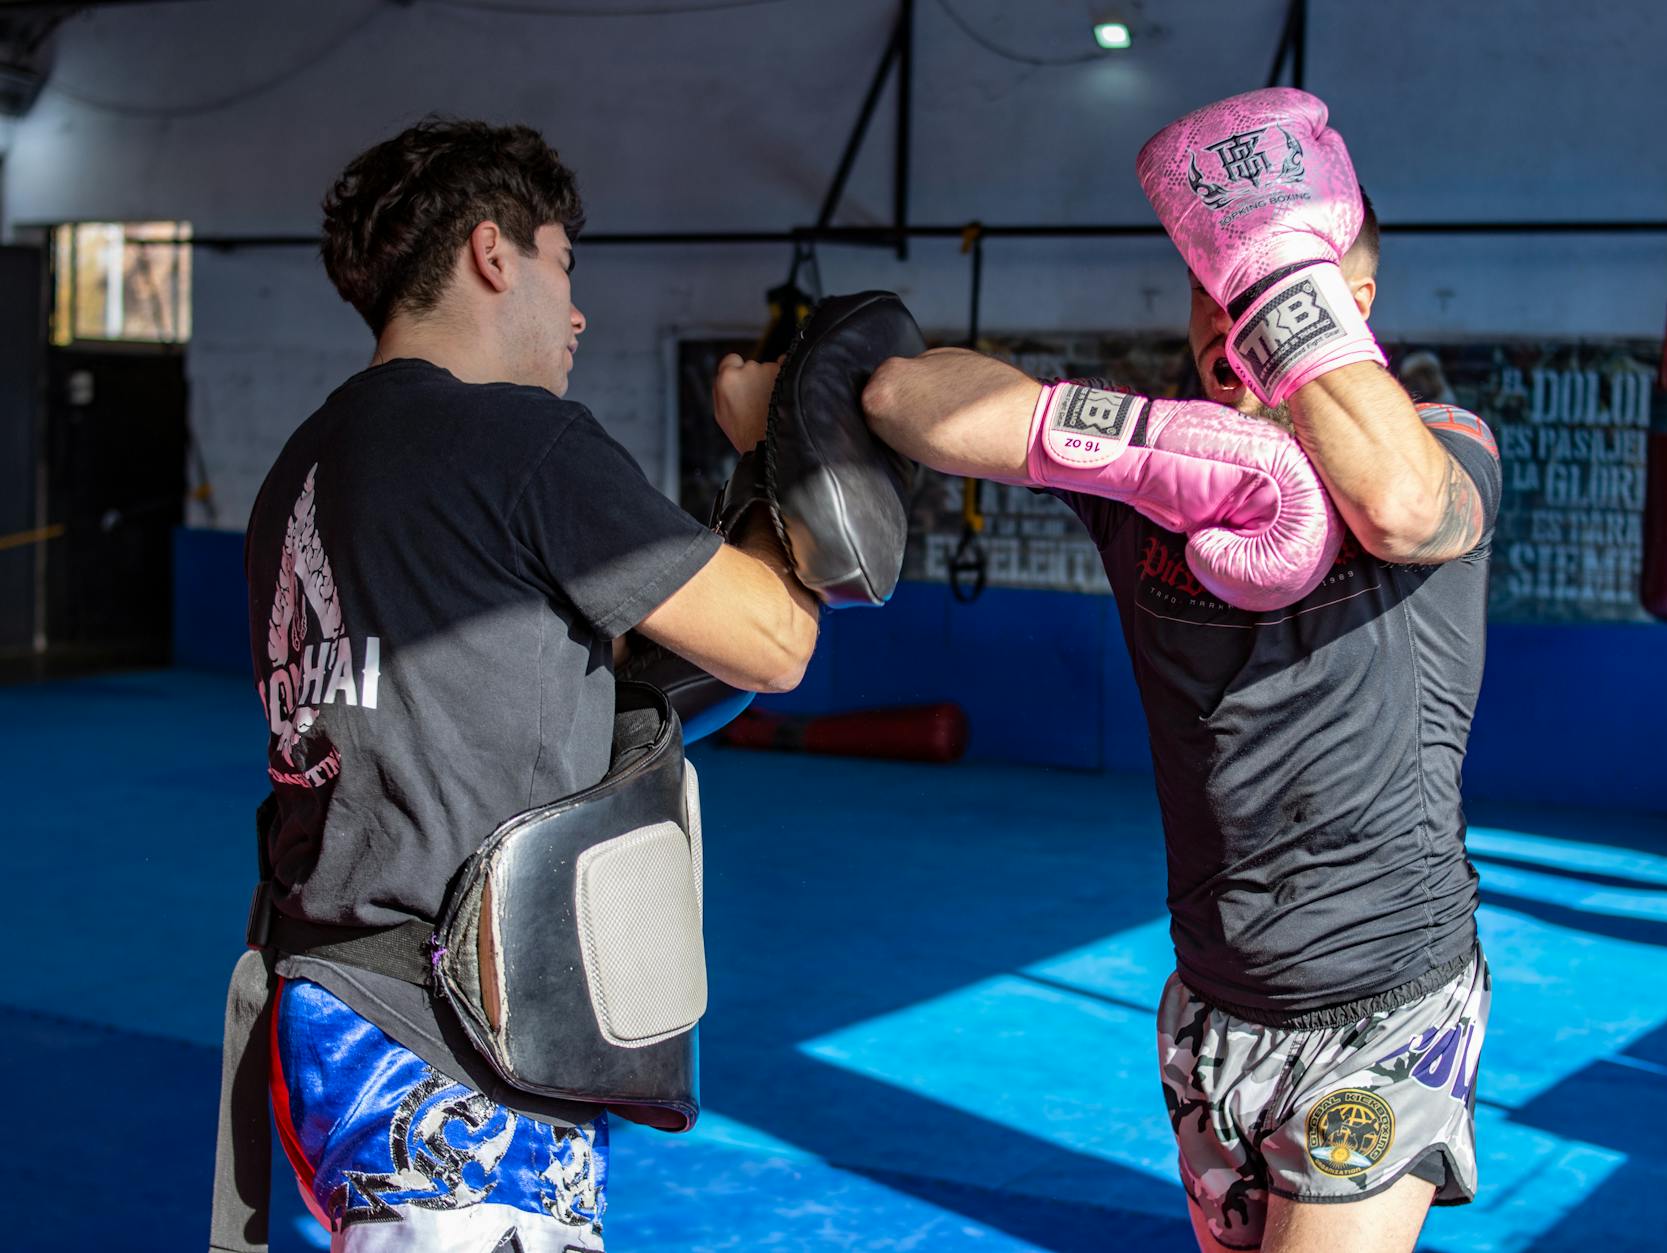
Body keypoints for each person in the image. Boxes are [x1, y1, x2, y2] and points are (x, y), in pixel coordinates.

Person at [860, 88, 1499, 1252]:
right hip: (1213, 998)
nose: (1224, 327)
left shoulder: (1448, 447)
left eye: (1251, 296)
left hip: (1387, 993)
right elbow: (907, 397)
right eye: (1209, 293)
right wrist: (1138, 444)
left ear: (1343, 304)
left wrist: (1272, 271)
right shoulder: (1142, 485)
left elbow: (1403, 506)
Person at [238, 118, 817, 1250]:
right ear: (494, 254)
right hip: (455, 1040)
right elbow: (773, 640)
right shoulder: (514, 440)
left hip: (336, 1012)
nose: (578, 309)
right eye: (564, 264)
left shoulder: (299, 467)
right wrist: (774, 440)